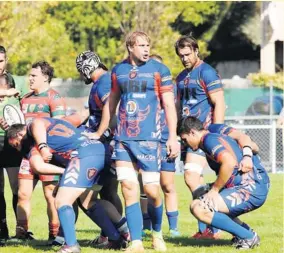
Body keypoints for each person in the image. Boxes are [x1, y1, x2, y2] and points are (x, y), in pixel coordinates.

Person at [90, 31, 179, 252]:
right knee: (128, 187)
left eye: (148, 44)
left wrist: (172, 137)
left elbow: (169, 106)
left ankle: (157, 233)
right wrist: (100, 131)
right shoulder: (118, 71)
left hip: (150, 141)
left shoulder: (160, 70)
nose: (146, 49)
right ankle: (136, 241)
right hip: (123, 140)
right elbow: (111, 104)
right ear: (130, 47)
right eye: (141, 45)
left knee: (152, 192)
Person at [7, 118, 128, 253]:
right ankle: (116, 238)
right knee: (88, 201)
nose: (17, 149)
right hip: (101, 152)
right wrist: (67, 173)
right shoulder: (53, 125)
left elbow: (38, 163)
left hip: (85, 155)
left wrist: (42, 146)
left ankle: (71, 245)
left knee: (61, 200)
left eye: (15, 145)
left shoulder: (31, 135)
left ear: (18, 135)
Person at [177, 116, 270, 249]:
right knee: (201, 193)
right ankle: (245, 232)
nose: (185, 144)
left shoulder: (209, 139)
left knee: (198, 208)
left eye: (185, 139)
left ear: (192, 132)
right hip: (254, 184)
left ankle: (248, 238)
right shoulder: (212, 133)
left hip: (250, 188)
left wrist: (214, 190)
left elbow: (229, 162)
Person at [0, 61, 66, 242]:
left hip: (47, 155)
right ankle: (22, 235)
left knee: (50, 195)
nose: (29, 78)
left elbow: (59, 127)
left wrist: (46, 149)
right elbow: (18, 122)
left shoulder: (54, 98)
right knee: (22, 194)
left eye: (33, 76)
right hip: (27, 155)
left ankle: (55, 236)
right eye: (29, 75)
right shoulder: (25, 98)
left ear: (45, 78)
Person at [175, 34, 226, 239]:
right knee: (196, 179)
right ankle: (207, 228)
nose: (185, 58)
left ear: (196, 50)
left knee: (190, 175)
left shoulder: (207, 72)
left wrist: (216, 131)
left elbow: (219, 103)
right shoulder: (180, 77)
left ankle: (213, 226)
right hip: (188, 136)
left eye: (188, 54)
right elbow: (178, 107)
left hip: (203, 134)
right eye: (181, 55)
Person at [74, 50, 124, 247]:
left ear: (86, 68)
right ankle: (112, 233)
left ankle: (119, 233)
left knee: (99, 194)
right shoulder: (102, 82)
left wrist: (100, 133)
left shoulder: (103, 82)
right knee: (108, 192)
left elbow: (111, 110)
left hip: (107, 145)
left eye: (81, 71)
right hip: (106, 144)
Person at [138, 54, 180, 237]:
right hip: (145, 142)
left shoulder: (171, 88)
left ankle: (173, 228)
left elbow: (175, 110)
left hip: (165, 141)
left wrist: (174, 137)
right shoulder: (142, 87)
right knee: (144, 186)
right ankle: (147, 226)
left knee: (167, 185)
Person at [0, 45, 23, 245]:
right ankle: (2, 231)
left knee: (17, 187)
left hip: (11, 142)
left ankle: (21, 231)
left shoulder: (15, 81)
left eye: (1, 60)